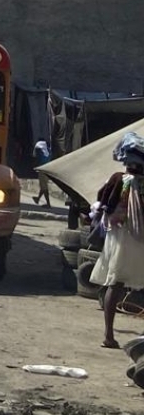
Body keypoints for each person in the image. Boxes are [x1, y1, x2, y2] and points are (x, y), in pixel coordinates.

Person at [90, 134, 144, 349]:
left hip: (119, 237)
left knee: (116, 282)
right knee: (119, 282)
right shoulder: (130, 182)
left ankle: (109, 335)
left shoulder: (117, 178)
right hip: (134, 238)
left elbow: (100, 201)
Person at [33, 139, 52, 207]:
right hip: (47, 170)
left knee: (44, 187)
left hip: (42, 170)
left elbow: (37, 158)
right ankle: (37, 199)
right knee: (43, 186)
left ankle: (48, 204)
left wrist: (35, 166)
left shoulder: (40, 151)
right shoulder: (48, 151)